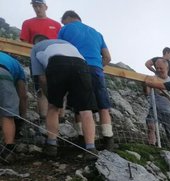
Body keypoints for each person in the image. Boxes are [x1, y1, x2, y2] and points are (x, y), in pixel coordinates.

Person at [30, 35, 97, 159]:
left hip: (57, 63)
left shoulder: (36, 48)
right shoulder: (66, 43)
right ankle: (91, 148)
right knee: (86, 110)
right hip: (81, 65)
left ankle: (51, 146)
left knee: (53, 108)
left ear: (36, 42)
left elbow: (41, 78)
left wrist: (50, 96)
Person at [58, 10, 114, 150]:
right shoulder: (96, 33)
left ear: (68, 18)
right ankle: (108, 140)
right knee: (103, 106)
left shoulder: (65, 29)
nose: (63, 24)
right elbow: (107, 57)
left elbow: (60, 50)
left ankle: (83, 138)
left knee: (80, 106)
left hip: (77, 68)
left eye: (63, 22)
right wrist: (98, 66)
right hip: (96, 71)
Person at [20, 0, 61, 121]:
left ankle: (60, 116)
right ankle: (43, 117)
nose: (37, 8)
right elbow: (24, 43)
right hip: (36, 59)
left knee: (59, 87)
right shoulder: (27, 23)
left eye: (39, 5)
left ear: (46, 7)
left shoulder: (56, 24)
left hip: (55, 59)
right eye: (35, 6)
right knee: (40, 87)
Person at [145, 58, 170, 156]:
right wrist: (147, 84)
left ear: (167, 68)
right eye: (157, 68)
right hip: (155, 108)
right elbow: (147, 93)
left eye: (161, 68)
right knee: (151, 126)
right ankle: (152, 148)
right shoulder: (153, 78)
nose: (158, 69)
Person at [0, 52, 28, 162]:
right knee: (8, 112)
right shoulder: (16, 65)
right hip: (3, 73)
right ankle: (8, 151)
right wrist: (23, 116)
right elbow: (23, 95)